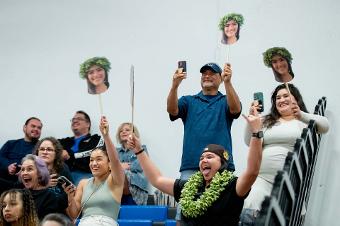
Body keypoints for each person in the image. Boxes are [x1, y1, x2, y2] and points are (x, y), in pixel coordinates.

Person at [127, 111, 263, 226]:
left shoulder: (232, 186)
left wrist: (256, 133)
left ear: (222, 163)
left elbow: (252, 171)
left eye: (209, 157)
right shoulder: (189, 187)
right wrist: (139, 151)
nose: (204, 160)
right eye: (201, 158)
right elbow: (157, 179)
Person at [239, 83, 329, 225]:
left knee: (279, 220)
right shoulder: (266, 121)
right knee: (249, 209)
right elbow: (248, 141)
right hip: (262, 179)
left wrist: (302, 115)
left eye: (286, 96)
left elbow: (325, 126)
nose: (281, 100)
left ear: (296, 99)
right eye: (278, 98)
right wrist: (252, 119)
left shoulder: (304, 121)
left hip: (289, 182)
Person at [63, 116, 124, 226]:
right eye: (91, 160)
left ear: (109, 164)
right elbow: (73, 215)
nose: (94, 163)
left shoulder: (115, 180)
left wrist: (106, 136)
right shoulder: (83, 183)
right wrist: (70, 196)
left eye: (99, 159)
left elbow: (115, 160)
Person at [19, 154, 68, 220]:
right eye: (22, 170)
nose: (24, 173)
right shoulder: (18, 195)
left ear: (40, 173)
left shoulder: (50, 197)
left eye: (29, 169)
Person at [59, 110, 102, 185]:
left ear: (88, 124)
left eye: (79, 119)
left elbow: (90, 154)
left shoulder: (95, 139)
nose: (75, 121)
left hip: (84, 174)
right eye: (73, 119)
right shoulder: (65, 141)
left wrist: (69, 156)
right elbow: (49, 144)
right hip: (63, 173)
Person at [0, 117, 42, 182]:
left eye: (39, 128)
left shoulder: (42, 148)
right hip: (4, 181)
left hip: (28, 184)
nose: (36, 129)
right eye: (33, 126)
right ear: (24, 128)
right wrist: (8, 166)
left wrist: (25, 170)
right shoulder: (10, 144)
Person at [116, 122, 149, 205]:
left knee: (121, 173)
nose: (123, 132)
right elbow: (109, 166)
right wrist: (120, 166)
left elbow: (142, 165)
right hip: (120, 186)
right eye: (121, 131)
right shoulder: (116, 151)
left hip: (137, 184)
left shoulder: (141, 148)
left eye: (127, 130)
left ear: (134, 134)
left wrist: (122, 167)